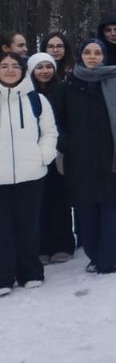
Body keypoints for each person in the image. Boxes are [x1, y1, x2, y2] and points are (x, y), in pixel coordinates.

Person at [61, 38, 116, 273]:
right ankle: (95, 255)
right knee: (86, 209)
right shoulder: (70, 84)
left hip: (114, 155)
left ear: (105, 55)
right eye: (88, 52)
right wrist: (68, 143)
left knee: (112, 208)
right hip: (81, 157)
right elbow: (61, 121)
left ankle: (115, 258)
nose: (93, 56)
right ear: (80, 55)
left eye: (98, 52)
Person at [0, 52, 58, 294]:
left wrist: (42, 157)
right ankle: (4, 276)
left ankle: (30, 271)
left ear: (23, 70)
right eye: (4, 66)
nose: (10, 70)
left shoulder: (37, 101)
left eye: (15, 66)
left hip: (31, 175)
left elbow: (50, 133)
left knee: (28, 226)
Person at [28, 53, 73, 263]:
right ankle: (42, 246)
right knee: (38, 202)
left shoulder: (63, 89)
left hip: (59, 152)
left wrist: (60, 143)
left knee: (59, 199)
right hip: (31, 154)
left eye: (48, 66)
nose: (44, 71)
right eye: (40, 67)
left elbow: (70, 120)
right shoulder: (26, 92)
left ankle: (63, 243)